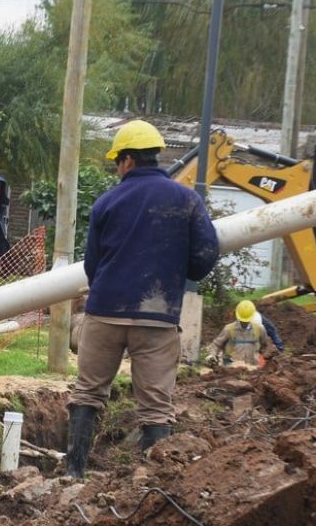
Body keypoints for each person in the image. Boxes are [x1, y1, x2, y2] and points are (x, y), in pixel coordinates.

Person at [66, 120, 219, 478]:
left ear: (128, 160)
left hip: (105, 311)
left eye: (117, 161)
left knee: (87, 393)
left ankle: (73, 472)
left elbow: (92, 265)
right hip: (157, 316)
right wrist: (185, 273)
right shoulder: (186, 198)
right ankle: (153, 482)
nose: (118, 169)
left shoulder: (107, 202)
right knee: (156, 407)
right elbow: (207, 252)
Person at [206, 300, 282, 368]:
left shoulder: (259, 329)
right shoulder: (229, 329)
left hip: (253, 368)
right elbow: (216, 344)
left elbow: (267, 344)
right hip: (230, 369)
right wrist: (212, 355)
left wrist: (267, 354)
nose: (244, 322)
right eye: (242, 320)